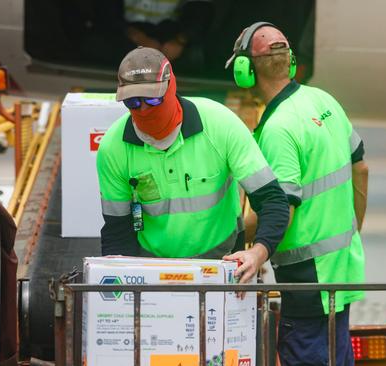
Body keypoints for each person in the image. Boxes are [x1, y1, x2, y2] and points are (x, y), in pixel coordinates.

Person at [226, 23, 368, 365]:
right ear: (290, 61)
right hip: (343, 266)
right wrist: (352, 230)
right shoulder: (323, 100)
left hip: (307, 277)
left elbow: (281, 208)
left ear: (245, 71)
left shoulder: (277, 129)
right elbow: (360, 169)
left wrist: (238, 240)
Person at [96, 47, 289, 284]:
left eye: (152, 99)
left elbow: (272, 200)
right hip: (152, 269)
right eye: (133, 102)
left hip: (223, 263)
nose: (143, 109)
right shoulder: (113, 149)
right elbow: (117, 231)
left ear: (171, 87)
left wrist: (257, 253)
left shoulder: (220, 125)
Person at [123, 0, 213, 62]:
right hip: (122, 32)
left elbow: (201, 10)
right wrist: (139, 38)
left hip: (169, 37)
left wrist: (181, 40)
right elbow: (111, 12)